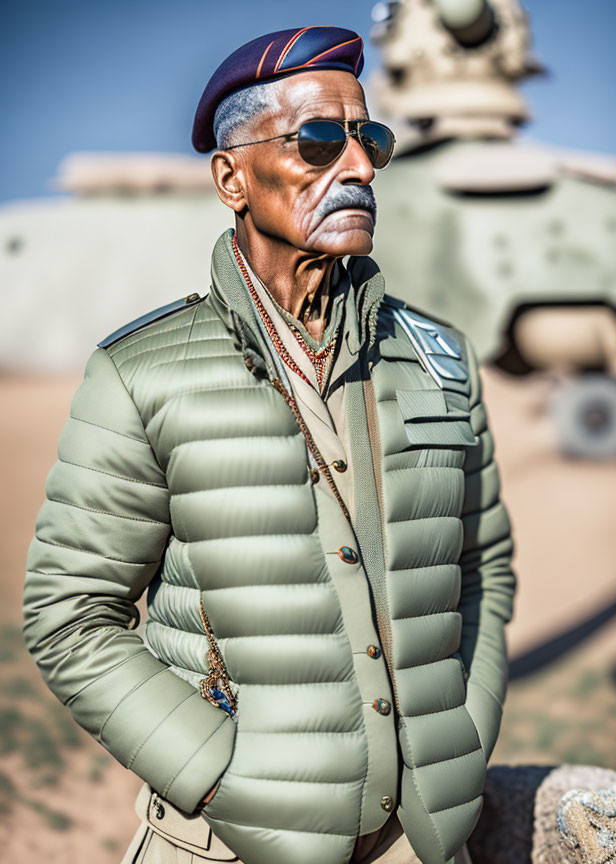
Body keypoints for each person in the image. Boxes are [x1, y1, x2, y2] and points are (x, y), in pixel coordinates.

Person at [23, 26, 516, 864]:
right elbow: (70, 616)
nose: (358, 168)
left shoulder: (440, 357)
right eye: (319, 141)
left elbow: (485, 565)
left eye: (372, 140)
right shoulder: (142, 372)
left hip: (421, 840)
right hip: (227, 841)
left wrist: (462, 733)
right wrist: (223, 780)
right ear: (231, 178)